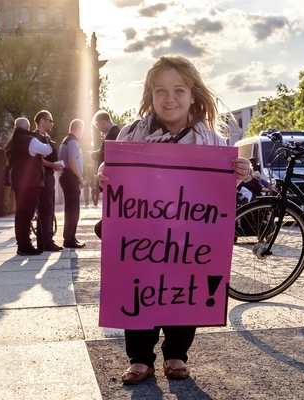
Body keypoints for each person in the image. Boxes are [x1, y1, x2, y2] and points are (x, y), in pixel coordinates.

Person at [97, 54, 251, 385]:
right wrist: (104, 174)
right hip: (142, 234)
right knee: (138, 285)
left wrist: (240, 172)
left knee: (187, 285)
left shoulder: (210, 140)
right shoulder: (131, 134)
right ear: (150, 96)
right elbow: (114, 173)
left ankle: (176, 353)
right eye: (160, 91)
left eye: (179, 90)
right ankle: (140, 358)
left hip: (189, 236)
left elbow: (219, 190)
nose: (170, 99)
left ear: (193, 95)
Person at [4, 117, 52, 256]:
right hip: (30, 182)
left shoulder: (11, 142)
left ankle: (21, 244)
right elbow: (47, 150)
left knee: (20, 214)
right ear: (27, 127)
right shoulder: (29, 140)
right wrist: (46, 139)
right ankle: (25, 245)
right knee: (27, 214)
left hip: (17, 182)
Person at [34, 110, 65, 252]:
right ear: (42, 121)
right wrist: (53, 165)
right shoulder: (35, 137)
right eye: (50, 120)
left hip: (48, 176)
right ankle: (47, 241)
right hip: (43, 176)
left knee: (47, 209)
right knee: (46, 209)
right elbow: (37, 159)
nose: (52, 123)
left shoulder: (45, 137)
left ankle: (43, 241)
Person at [58, 119, 86, 248]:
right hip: (71, 178)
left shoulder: (66, 140)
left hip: (66, 177)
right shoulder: (73, 141)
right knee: (73, 209)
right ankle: (70, 238)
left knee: (70, 208)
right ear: (79, 128)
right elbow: (72, 160)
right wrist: (80, 177)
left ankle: (69, 237)